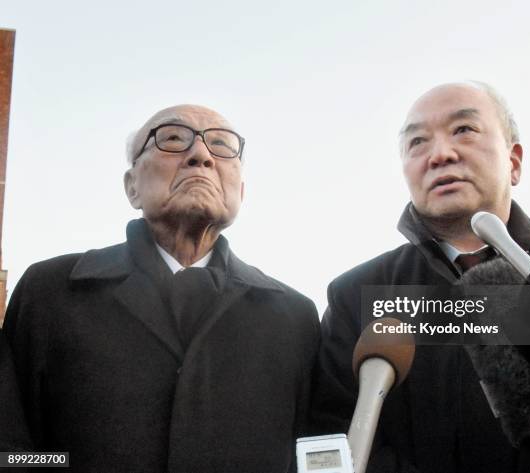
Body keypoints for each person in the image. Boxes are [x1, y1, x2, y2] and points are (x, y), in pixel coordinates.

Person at [2, 104, 320, 473]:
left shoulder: (295, 320)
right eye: (172, 138)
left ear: (241, 191)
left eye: (221, 145)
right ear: (131, 186)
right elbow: (11, 451)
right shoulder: (50, 293)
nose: (200, 155)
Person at [311, 82, 530, 472]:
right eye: (418, 142)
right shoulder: (355, 295)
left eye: (464, 130)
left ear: (514, 161)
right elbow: (333, 435)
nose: (440, 155)